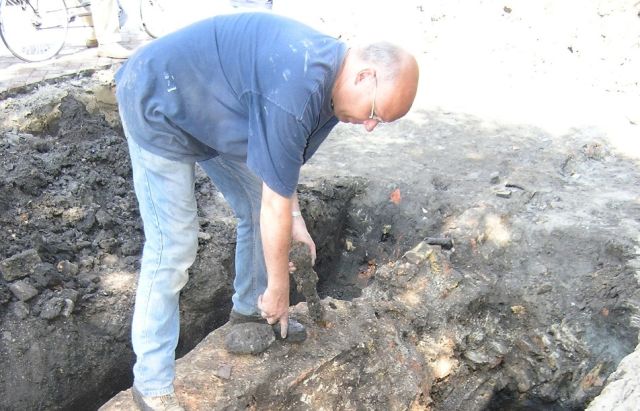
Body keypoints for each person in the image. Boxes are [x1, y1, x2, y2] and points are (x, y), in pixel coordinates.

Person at [114, 12, 418, 411]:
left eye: (380, 121)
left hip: (214, 109)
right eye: (375, 113)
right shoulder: (299, 87)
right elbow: (276, 199)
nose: (370, 126)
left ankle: (248, 315)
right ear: (364, 77)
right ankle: (151, 383)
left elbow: (279, 168)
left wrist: (296, 220)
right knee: (173, 246)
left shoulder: (330, 91)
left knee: (260, 205)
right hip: (158, 98)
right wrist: (279, 290)